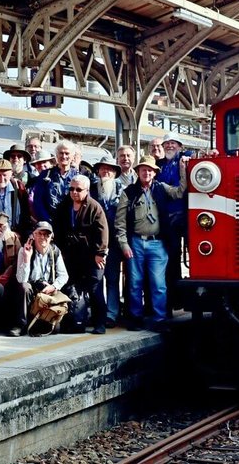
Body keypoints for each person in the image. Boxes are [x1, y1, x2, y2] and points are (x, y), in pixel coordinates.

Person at [115, 155, 187, 332]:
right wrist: (124, 244)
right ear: (137, 171)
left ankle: (160, 319)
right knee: (134, 283)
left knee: (158, 284)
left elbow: (180, 192)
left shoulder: (161, 188)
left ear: (155, 173)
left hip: (157, 243)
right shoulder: (128, 192)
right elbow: (120, 222)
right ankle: (135, 317)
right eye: (143, 170)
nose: (146, 173)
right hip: (136, 243)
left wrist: (183, 171)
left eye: (150, 170)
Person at [54, 175, 109, 334]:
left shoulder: (94, 207)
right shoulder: (64, 206)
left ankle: (100, 323)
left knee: (95, 288)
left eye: (78, 189)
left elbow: (103, 232)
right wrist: (60, 252)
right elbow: (57, 229)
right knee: (71, 288)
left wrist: (100, 253)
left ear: (87, 190)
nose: (74, 192)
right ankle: (72, 321)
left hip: (92, 255)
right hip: (71, 255)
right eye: (71, 189)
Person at [14, 221, 69, 334]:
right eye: (40, 234)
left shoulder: (55, 251)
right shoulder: (24, 251)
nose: (43, 237)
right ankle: (21, 325)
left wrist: (54, 286)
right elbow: (21, 279)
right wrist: (27, 259)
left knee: (56, 330)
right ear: (33, 235)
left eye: (47, 235)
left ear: (51, 237)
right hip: (32, 290)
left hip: (47, 291)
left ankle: (39, 322)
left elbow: (64, 276)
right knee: (24, 287)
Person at [89, 156, 125, 327]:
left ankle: (112, 314)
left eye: (109, 169)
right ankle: (97, 313)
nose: (106, 172)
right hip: (95, 244)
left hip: (114, 243)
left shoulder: (122, 190)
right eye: (103, 169)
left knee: (112, 279)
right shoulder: (91, 190)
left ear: (115, 173)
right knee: (96, 280)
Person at [157, 133, 189, 312]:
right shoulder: (161, 165)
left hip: (184, 214)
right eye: (167, 143)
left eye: (173, 143)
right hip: (167, 218)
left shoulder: (185, 159)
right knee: (171, 260)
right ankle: (174, 299)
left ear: (179, 146)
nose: (169, 146)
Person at [31, 140, 79, 224]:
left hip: (71, 224)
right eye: (61, 153)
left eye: (67, 153)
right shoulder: (45, 175)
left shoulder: (78, 177)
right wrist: (47, 221)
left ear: (72, 156)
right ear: (56, 155)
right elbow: (38, 202)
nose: (64, 156)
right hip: (49, 223)